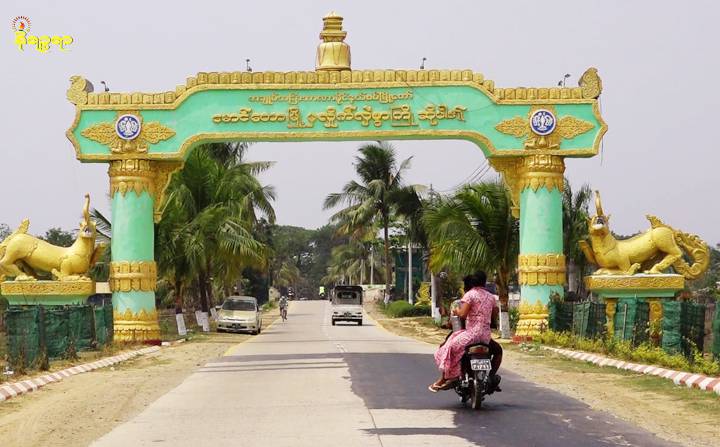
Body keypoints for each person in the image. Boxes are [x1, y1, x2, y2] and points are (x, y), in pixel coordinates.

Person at [429, 271, 502, 392]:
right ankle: (491, 376)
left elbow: (462, 314)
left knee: (448, 348)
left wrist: (456, 311)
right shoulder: (491, 297)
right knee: (498, 351)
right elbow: (494, 315)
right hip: (485, 337)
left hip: (471, 335)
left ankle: (446, 378)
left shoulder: (469, 295)